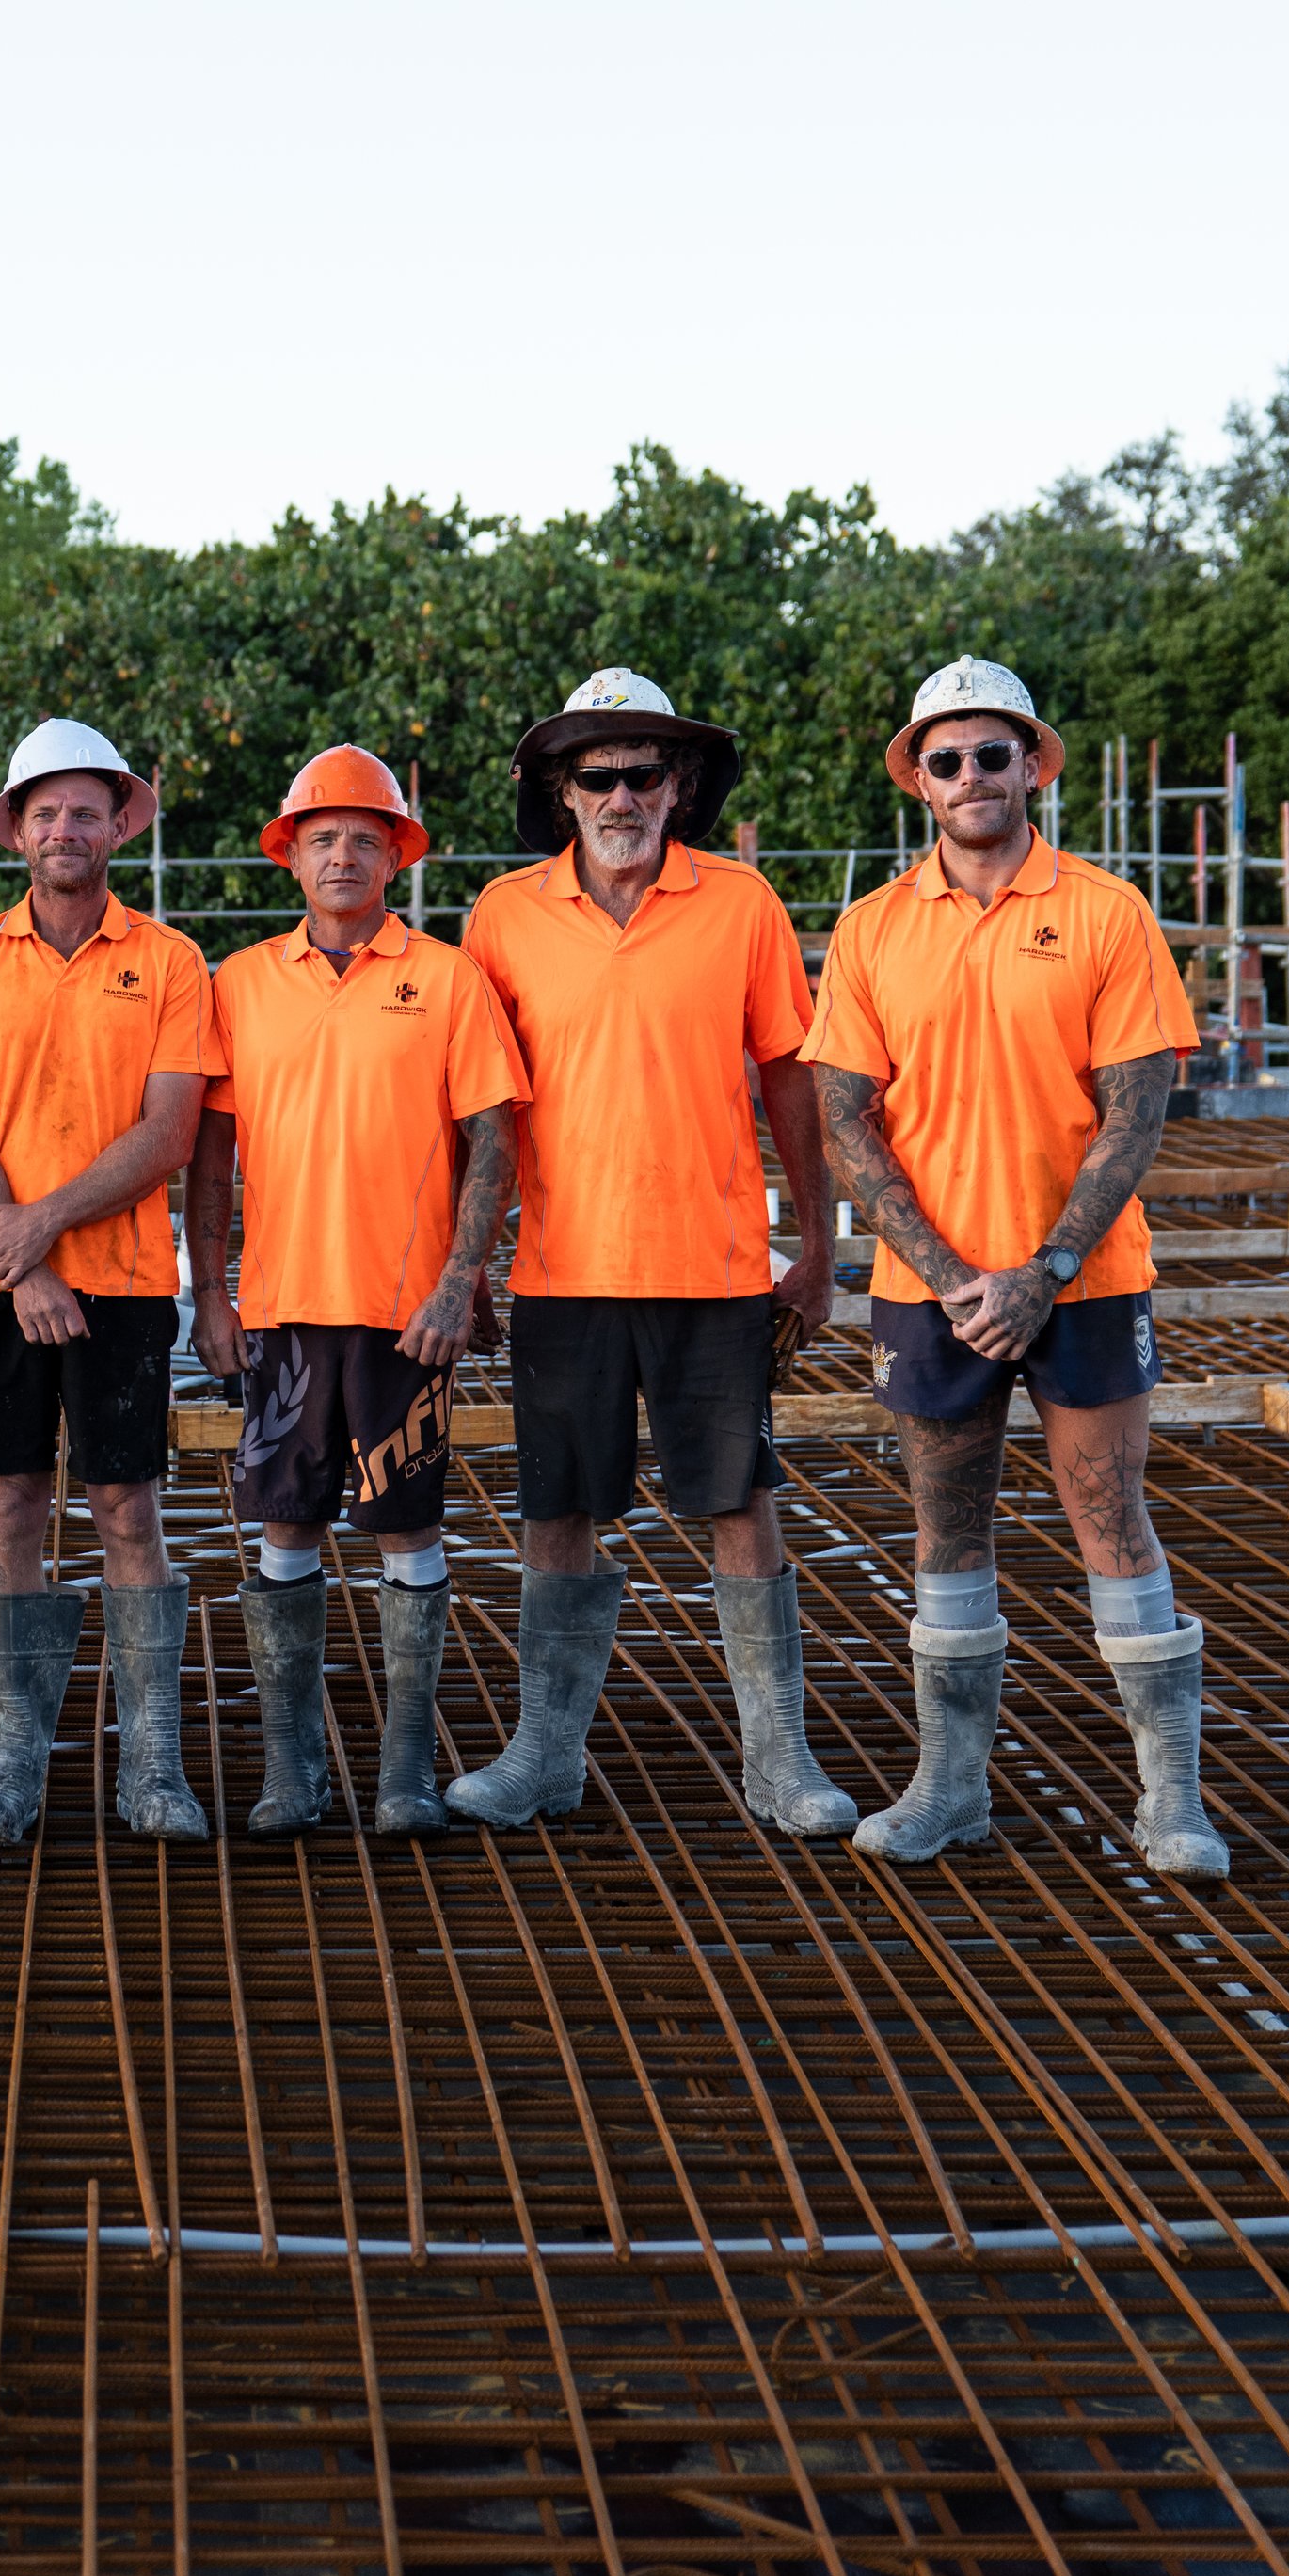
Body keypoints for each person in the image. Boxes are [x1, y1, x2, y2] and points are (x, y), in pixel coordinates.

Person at [802, 656, 1220, 1875]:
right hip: (929, 1292)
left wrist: (1043, 1264)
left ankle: (1171, 1801)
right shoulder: (876, 928)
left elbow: (1135, 1111)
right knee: (946, 1529)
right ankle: (950, 1790)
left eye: (995, 752)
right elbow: (845, 1119)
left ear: (1034, 763)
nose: (973, 775)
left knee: (1111, 1515)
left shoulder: (1105, 910)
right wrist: (946, 1272)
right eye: (947, 758)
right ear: (918, 781)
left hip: (1082, 1282)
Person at [454, 671, 851, 1835]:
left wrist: (818, 1243)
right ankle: (543, 1756)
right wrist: (463, 1262)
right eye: (597, 775)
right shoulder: (502, 917)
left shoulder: (742, 906)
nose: (621, 794)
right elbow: (477, 1112)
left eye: (642, 773)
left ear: (678, 788)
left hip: (713, 1266)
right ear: (560, 791)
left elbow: (789, 1081)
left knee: (739, 1501)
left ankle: (778, 1763)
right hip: (562, 1272)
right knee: (554, 1509)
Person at [188, 746, 520, 1836]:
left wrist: (459, 1279)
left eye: (363, 839)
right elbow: (209, 1154)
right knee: (283, 1531)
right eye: (320, 837)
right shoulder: (239, 984)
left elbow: (491, 1138)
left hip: (404, 1315)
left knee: (410, 1532)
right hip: (282, 1311)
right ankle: (294, 1773)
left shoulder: (449, 978)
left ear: (394, 856)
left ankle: (403, 1775)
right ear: (290, 855)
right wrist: (214, 1296)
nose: (341, 855)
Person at [0, 719, 214, 1847]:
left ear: (118, 824)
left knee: (128, 1508)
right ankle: (14, 1762)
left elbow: (168, 1130)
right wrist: (23, 1252)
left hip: (124, 1280)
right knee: (8, 1509)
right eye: (44, 813)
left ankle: (152, 1766)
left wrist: (39, 1230)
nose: (64, 830)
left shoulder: (171, 960)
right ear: (17, 832)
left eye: (85, 810)